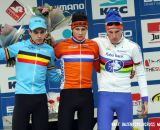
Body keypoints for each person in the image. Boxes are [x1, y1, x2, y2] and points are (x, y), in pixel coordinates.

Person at [0, 16, 60, 130]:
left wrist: (66, 77)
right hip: (22, 98)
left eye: (42, 32)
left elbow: (53, 75)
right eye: (35, 32)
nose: (39, 35)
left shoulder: (49, 50)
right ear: (29, 32)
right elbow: (1, 54)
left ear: (45, 32)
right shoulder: (19, 47)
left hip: (40, 99)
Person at [93, 10, 148, 130]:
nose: (113, 36)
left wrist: (145, 99)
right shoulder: (97, 43)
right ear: (105, 30)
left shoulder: (132, 47)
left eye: (117, 32)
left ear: (122, 29)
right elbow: (77, 46)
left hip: (124, 97)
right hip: (104, 96)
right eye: (110, 32)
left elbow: (141, 74)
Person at [54, 12, 100, 130]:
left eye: (83, 29)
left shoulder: (93, 46)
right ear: (72, 29)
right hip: (67, 94)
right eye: (77, 29)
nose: (80, 32)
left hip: (86, 95)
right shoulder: (61, 46)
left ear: (86, 29)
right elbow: (45, 59)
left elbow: (100, 68)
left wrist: (127, 70)